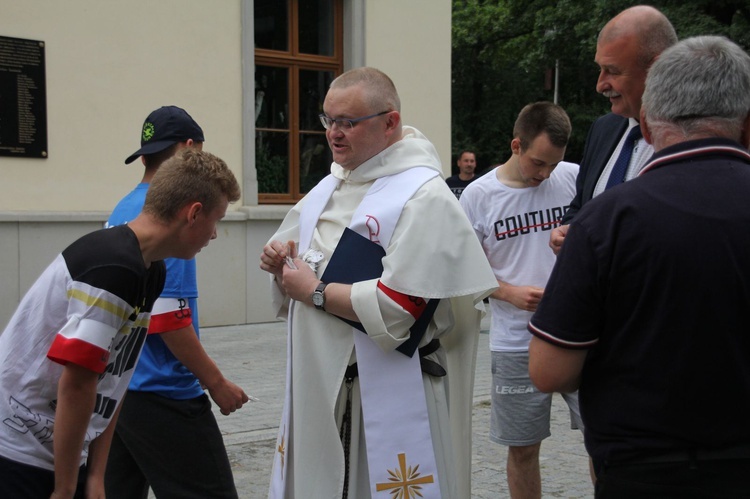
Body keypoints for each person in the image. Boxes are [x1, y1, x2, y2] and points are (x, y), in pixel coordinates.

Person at [528, 36, 750, 497]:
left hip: (645, 469)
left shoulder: (609, 219)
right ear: (745, 124)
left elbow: (550, 371)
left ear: (646, 124)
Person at [260, 67, 497, 498]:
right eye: (328, 120)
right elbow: (294, 262)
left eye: (347, 122)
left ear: (390, 123)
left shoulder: (423, 196)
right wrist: (279, 261)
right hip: (322, 388)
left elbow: (400, 308)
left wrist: (313, 291)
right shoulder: (329, 186)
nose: (333, 133)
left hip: (382, 394)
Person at [0, 149, 240, 499]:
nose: (215, 235)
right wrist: (66, 489)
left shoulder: (151, 268)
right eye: (217, 220)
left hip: (57, 445)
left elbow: (114, 379)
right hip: (19, 448)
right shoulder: (113, 268)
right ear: (193, 213)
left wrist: (97, 475)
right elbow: (77, 385)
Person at [104, 107, 249, 499]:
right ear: (188, 149)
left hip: (121, 389)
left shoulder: (123, 208)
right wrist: (215, 383)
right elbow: (167, 316)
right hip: (165, 392)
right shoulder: (171, 219)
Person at [460, 102, 581, 499]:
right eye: (538, 163)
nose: (545, 174)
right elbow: (462, 270)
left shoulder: (574, 178)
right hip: (515, 342)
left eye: (553, 165)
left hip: (579, 333)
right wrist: (507, 292)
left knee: (605, 437)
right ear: (516, 145)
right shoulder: (478, 197)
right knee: (524, 448)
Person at [549, 6, 677, 254]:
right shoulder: (603, 129)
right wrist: (568, 230)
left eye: (613, 71)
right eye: (600, 68)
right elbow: (581, 206)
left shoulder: (692, 137)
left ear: (657, 68)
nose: (600, 85)